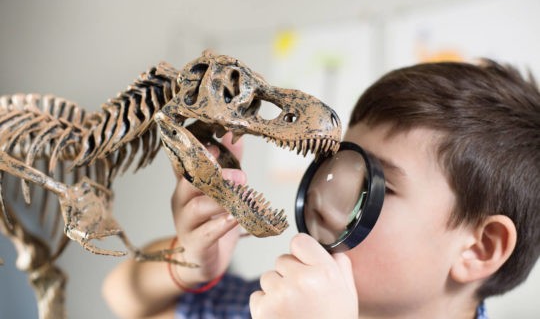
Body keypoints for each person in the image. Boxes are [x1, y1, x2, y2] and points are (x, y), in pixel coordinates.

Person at [102, 59, 540, 319]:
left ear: (480, 248)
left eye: (377, 185)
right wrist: (190, 266)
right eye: (340, 165)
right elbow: (127, 299)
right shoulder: (287, 302)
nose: (325, 202)